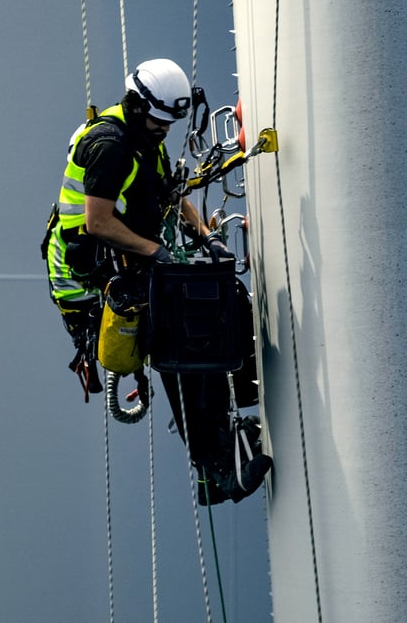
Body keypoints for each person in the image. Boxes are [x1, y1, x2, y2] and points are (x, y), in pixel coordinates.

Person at [43, 58, 272, 504]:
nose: (165, 130)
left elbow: (170, 192)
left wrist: (206, 237)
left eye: (170, 122)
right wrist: (158, 252)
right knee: (177, 338)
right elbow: (97, 223)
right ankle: (213, 472)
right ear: (137, 104)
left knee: (225, 299)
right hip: (88, 283)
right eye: (159, 122)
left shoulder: (146, 136)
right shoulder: (110, 146)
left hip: (121, 257)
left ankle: (236, 416)